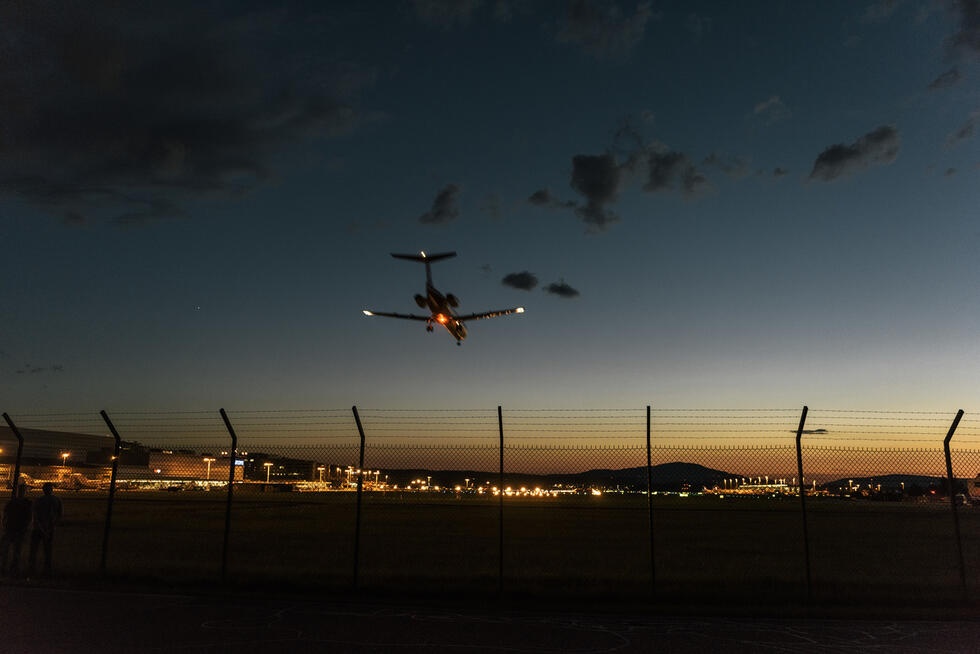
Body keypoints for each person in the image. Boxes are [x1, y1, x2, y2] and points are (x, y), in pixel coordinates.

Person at [29, 482, 63, 577]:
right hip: (49, 528)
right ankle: (47, 570)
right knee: (47, 550)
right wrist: (52, 526)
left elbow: (35, 515)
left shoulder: (39, 500)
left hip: (38, 528)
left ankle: (32, 568)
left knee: (34, 549)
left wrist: (40, 526)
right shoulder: (57, 500)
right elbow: (59, 515)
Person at [1, 485, 32, 576]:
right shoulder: (25, 503)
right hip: (15, 528)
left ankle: (10, 567)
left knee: (12, 549)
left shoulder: (17, 502)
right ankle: (10, 567)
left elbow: (6, 514)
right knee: (12, 549)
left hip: (16, 528)